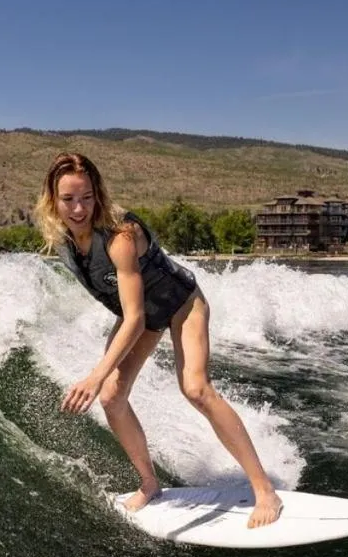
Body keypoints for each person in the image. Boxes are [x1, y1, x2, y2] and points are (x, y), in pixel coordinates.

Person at [34, 152, 282, 528]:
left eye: (86, 197)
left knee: (196, 389)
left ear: (97, 195)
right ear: (53, 200)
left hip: (182, 304)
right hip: (144, 315)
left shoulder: (119, 237)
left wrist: (95, 375)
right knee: (112, 397)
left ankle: (264, 490)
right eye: (68, 199)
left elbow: (134, 318)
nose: (79, 209)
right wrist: (103, 379)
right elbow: (131, 312)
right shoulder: (63, 240)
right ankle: (150, 484)